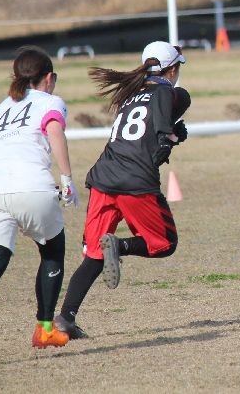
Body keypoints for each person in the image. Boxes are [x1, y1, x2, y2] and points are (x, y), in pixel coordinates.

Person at [53, 41, 190, 339]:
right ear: (171, 70)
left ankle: (65, 317)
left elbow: (145, 130)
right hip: (134, 181)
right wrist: (168, 139)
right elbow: (161, 127)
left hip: (103, 176)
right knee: (165, 243)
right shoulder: (167, 91)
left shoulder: (131, 93)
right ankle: (120, 246)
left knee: (94, 255)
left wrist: (171, 135)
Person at [0, 46, 78, 366]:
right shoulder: (51, 102)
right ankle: (45, 329)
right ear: (48, 78)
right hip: (33, 186)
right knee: (52, 250)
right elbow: (54, 131)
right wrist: (67, 179)